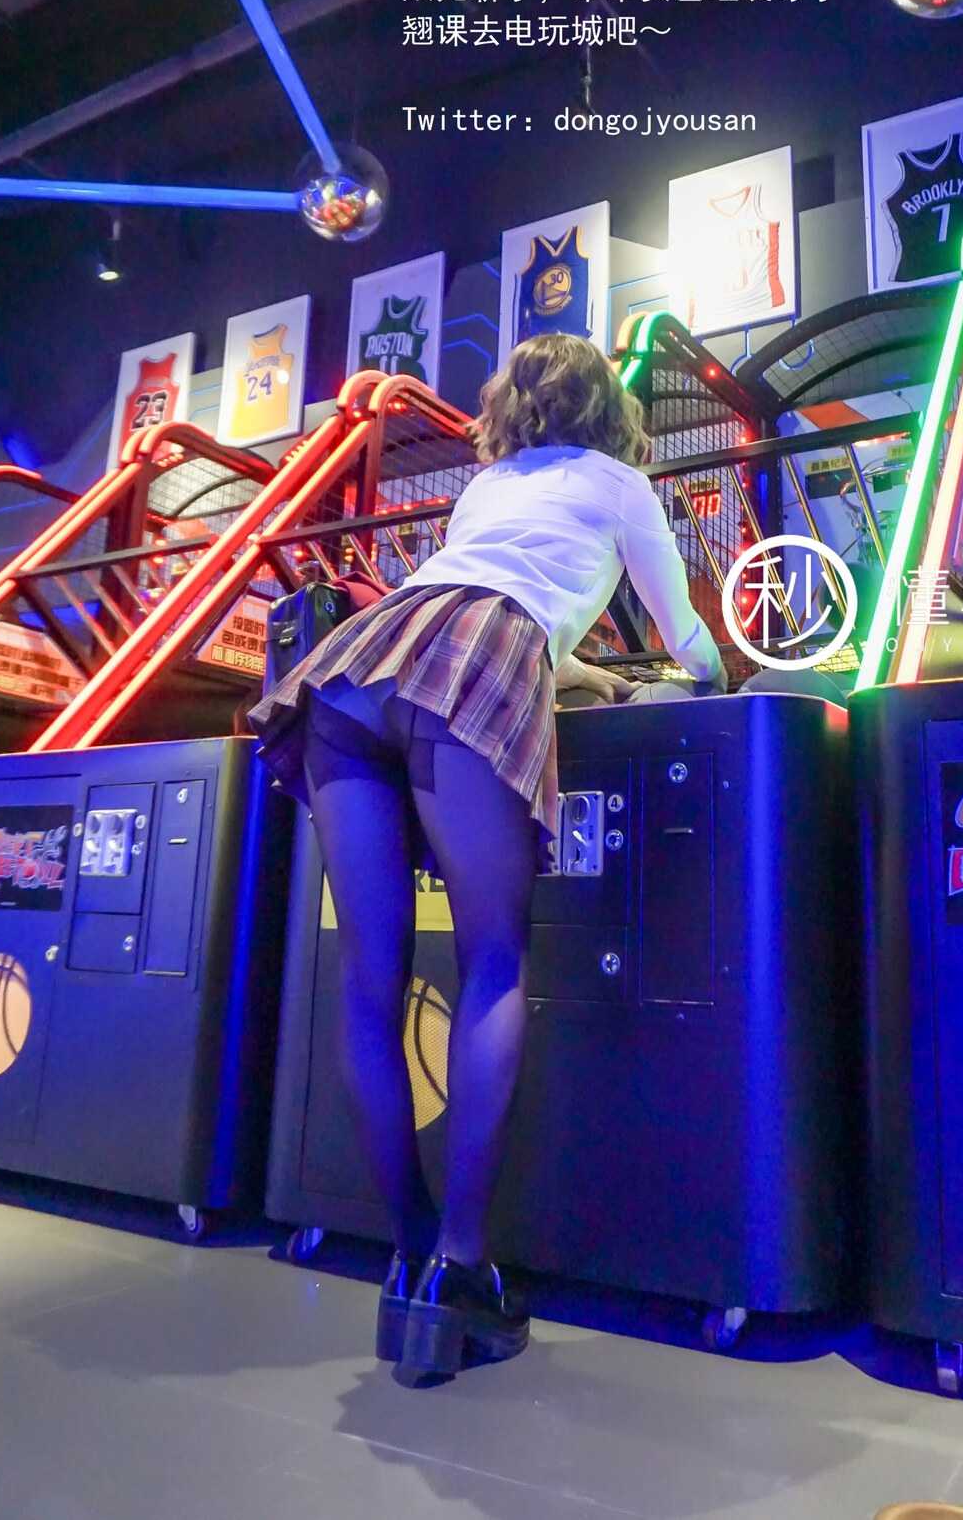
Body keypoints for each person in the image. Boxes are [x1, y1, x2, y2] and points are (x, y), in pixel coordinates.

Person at [246, 332, 726, 1386]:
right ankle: (463, 1269)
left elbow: (484, 593)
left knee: (370, 981)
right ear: (610, 406)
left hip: (360, 665)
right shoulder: (620, 484)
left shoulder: (487, 487)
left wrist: (577, 669)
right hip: (473, 665)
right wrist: (707, 673)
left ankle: (410, 1257)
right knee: (494, 963)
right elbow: (679, 633)